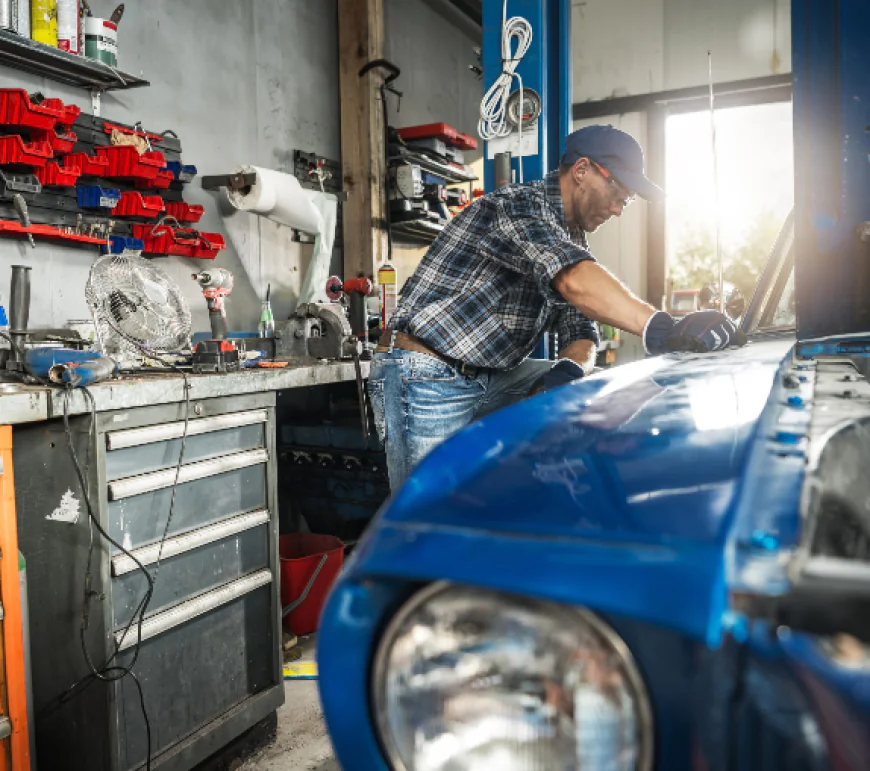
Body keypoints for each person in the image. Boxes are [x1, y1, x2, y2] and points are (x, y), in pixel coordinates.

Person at [369, 124, 742, 489]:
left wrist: (568, 369)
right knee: (428, 513)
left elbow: (581, 328)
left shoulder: (571, 236)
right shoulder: (517, 207)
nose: (618, 209)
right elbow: (573, 281)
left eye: (626, 200)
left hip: (488, 375)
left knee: (594, 389)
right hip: (425, 373)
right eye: (618, 192)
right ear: (582, 170)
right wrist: (663, 328)